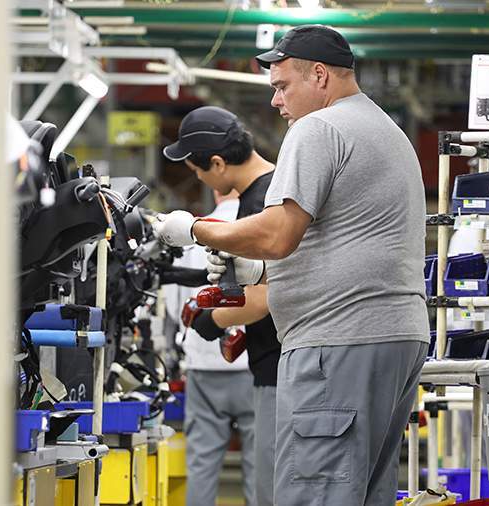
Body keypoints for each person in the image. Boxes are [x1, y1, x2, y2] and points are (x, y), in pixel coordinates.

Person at [153, 25, 429, 506]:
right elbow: (346, 236)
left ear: (319, 75)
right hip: (396, 336)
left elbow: (278, 235)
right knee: (362, 494)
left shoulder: (319, 128)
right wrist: (262, 273)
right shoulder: (385, 129)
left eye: (282, 86)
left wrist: (194, 229)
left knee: (315, 494)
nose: (276, 101)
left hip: (338, 341)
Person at [163, 106, 282, 506]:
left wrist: (211, 320)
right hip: (270, 365)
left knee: (269, 489)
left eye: (197, 170)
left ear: (216, 163)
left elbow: (265, 297)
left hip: (278, 369)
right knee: (262, 478)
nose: (197, 178)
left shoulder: (262, 201)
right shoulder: (271, 189)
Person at [164, 189, 257, 506]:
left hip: (203, 365)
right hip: (252, 364)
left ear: (216, 187)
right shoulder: (259, 226)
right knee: (261, 466)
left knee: (202, 465)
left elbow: (175, 303)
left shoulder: (193, 231)